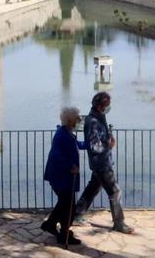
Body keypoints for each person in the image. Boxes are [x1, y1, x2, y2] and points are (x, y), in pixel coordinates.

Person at [75, 91, 134, 234]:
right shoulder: (93, 121)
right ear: (100, 106)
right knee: (115, 191)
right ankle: (119, 223)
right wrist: (109, 144)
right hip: (101, 164)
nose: (108, 107)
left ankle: (77, 214)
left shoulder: (100, 117)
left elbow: (101, 138)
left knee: (93, 188)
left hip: (102, 162)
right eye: (107, 105)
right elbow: (95, 146)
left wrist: (108, 138)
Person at [42, 107, 86, 245]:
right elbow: (56, 156)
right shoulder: (63, 135)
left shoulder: (66, 133)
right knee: (69, 208)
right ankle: (64, 235)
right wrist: (70, 166)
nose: (79, 119)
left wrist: (90, 145)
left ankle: (51, 224)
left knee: (64, 204)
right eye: (77, 118)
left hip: (61, 177)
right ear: (70, 121)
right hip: (62, 178)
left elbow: (76, 144)